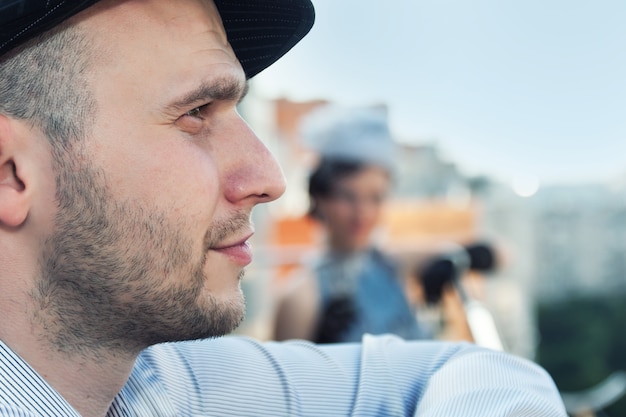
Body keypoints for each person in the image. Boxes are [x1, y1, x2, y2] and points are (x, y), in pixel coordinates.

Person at [0, 1, 567, 416]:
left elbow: (469, 371)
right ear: (10, 173)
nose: (269, 179)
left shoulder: (175, 383)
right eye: (196, 111)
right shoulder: (296, 304)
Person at [273, 106, 431, 343]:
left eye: (376, 198)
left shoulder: (391, 264)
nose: (363, 213)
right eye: (348, 196)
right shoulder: (300, 297)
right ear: (320, 198)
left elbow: (496, 253)